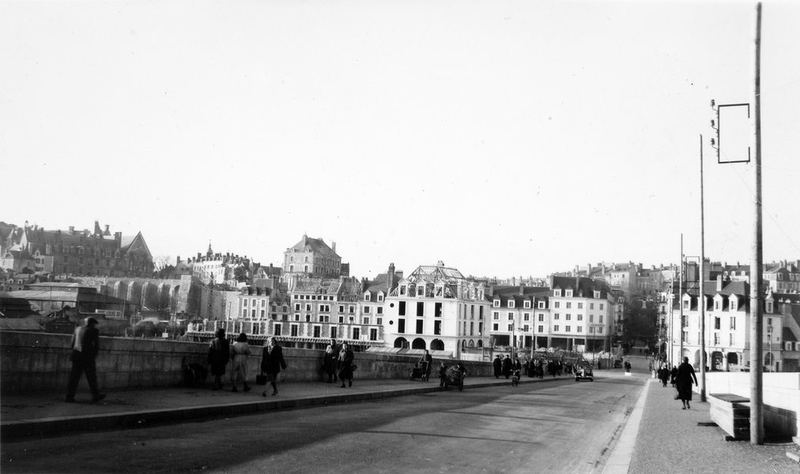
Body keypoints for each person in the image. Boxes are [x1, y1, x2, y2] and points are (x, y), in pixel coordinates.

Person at [65, 317, 106, 403]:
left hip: (76, 356)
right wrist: (93, 355)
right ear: (92, 324)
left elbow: (72, 343)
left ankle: (69, 396)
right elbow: (96, 344)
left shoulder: (77, 329)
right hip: (87, 358)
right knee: (92, 377)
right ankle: (95, 395)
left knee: (74, 378)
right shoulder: (94, 330)